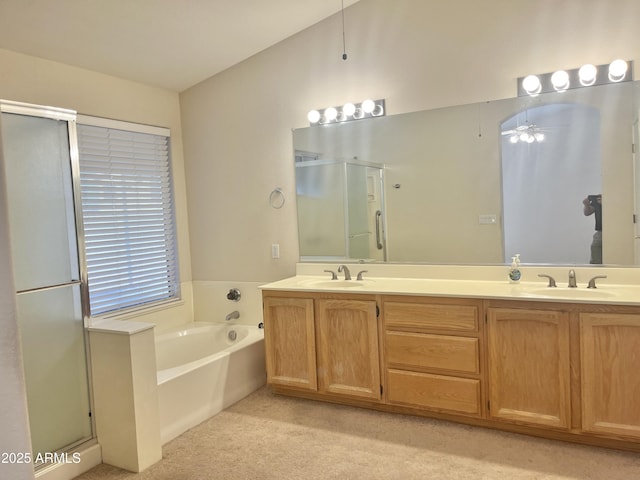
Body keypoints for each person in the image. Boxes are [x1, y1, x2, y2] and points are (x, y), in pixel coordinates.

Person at [583, 194, 602, 264]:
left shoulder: (611, 200)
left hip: (613, 229)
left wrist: (605, 204)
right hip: (600, 231)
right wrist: (586, 205)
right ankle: (596, 270)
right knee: (595, 249)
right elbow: (587, 213)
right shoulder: (597, 200)